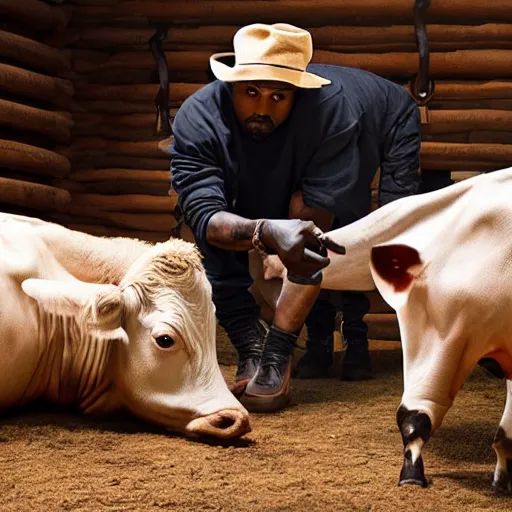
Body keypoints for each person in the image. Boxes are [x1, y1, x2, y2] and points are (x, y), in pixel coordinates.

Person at [170, 23, 421, 412]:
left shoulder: (332, 113)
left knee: (380, 230)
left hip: (382, 122)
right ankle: (251, 344)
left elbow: (314, 225)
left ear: (297, 94)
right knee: (218, 230)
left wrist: (279, 342)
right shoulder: (198, 118)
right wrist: (264, 231)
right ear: (231, 85)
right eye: (250, 91)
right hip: (291, 148)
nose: (262, 107)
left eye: (278, 96)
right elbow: (206, 219)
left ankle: (351, 339)